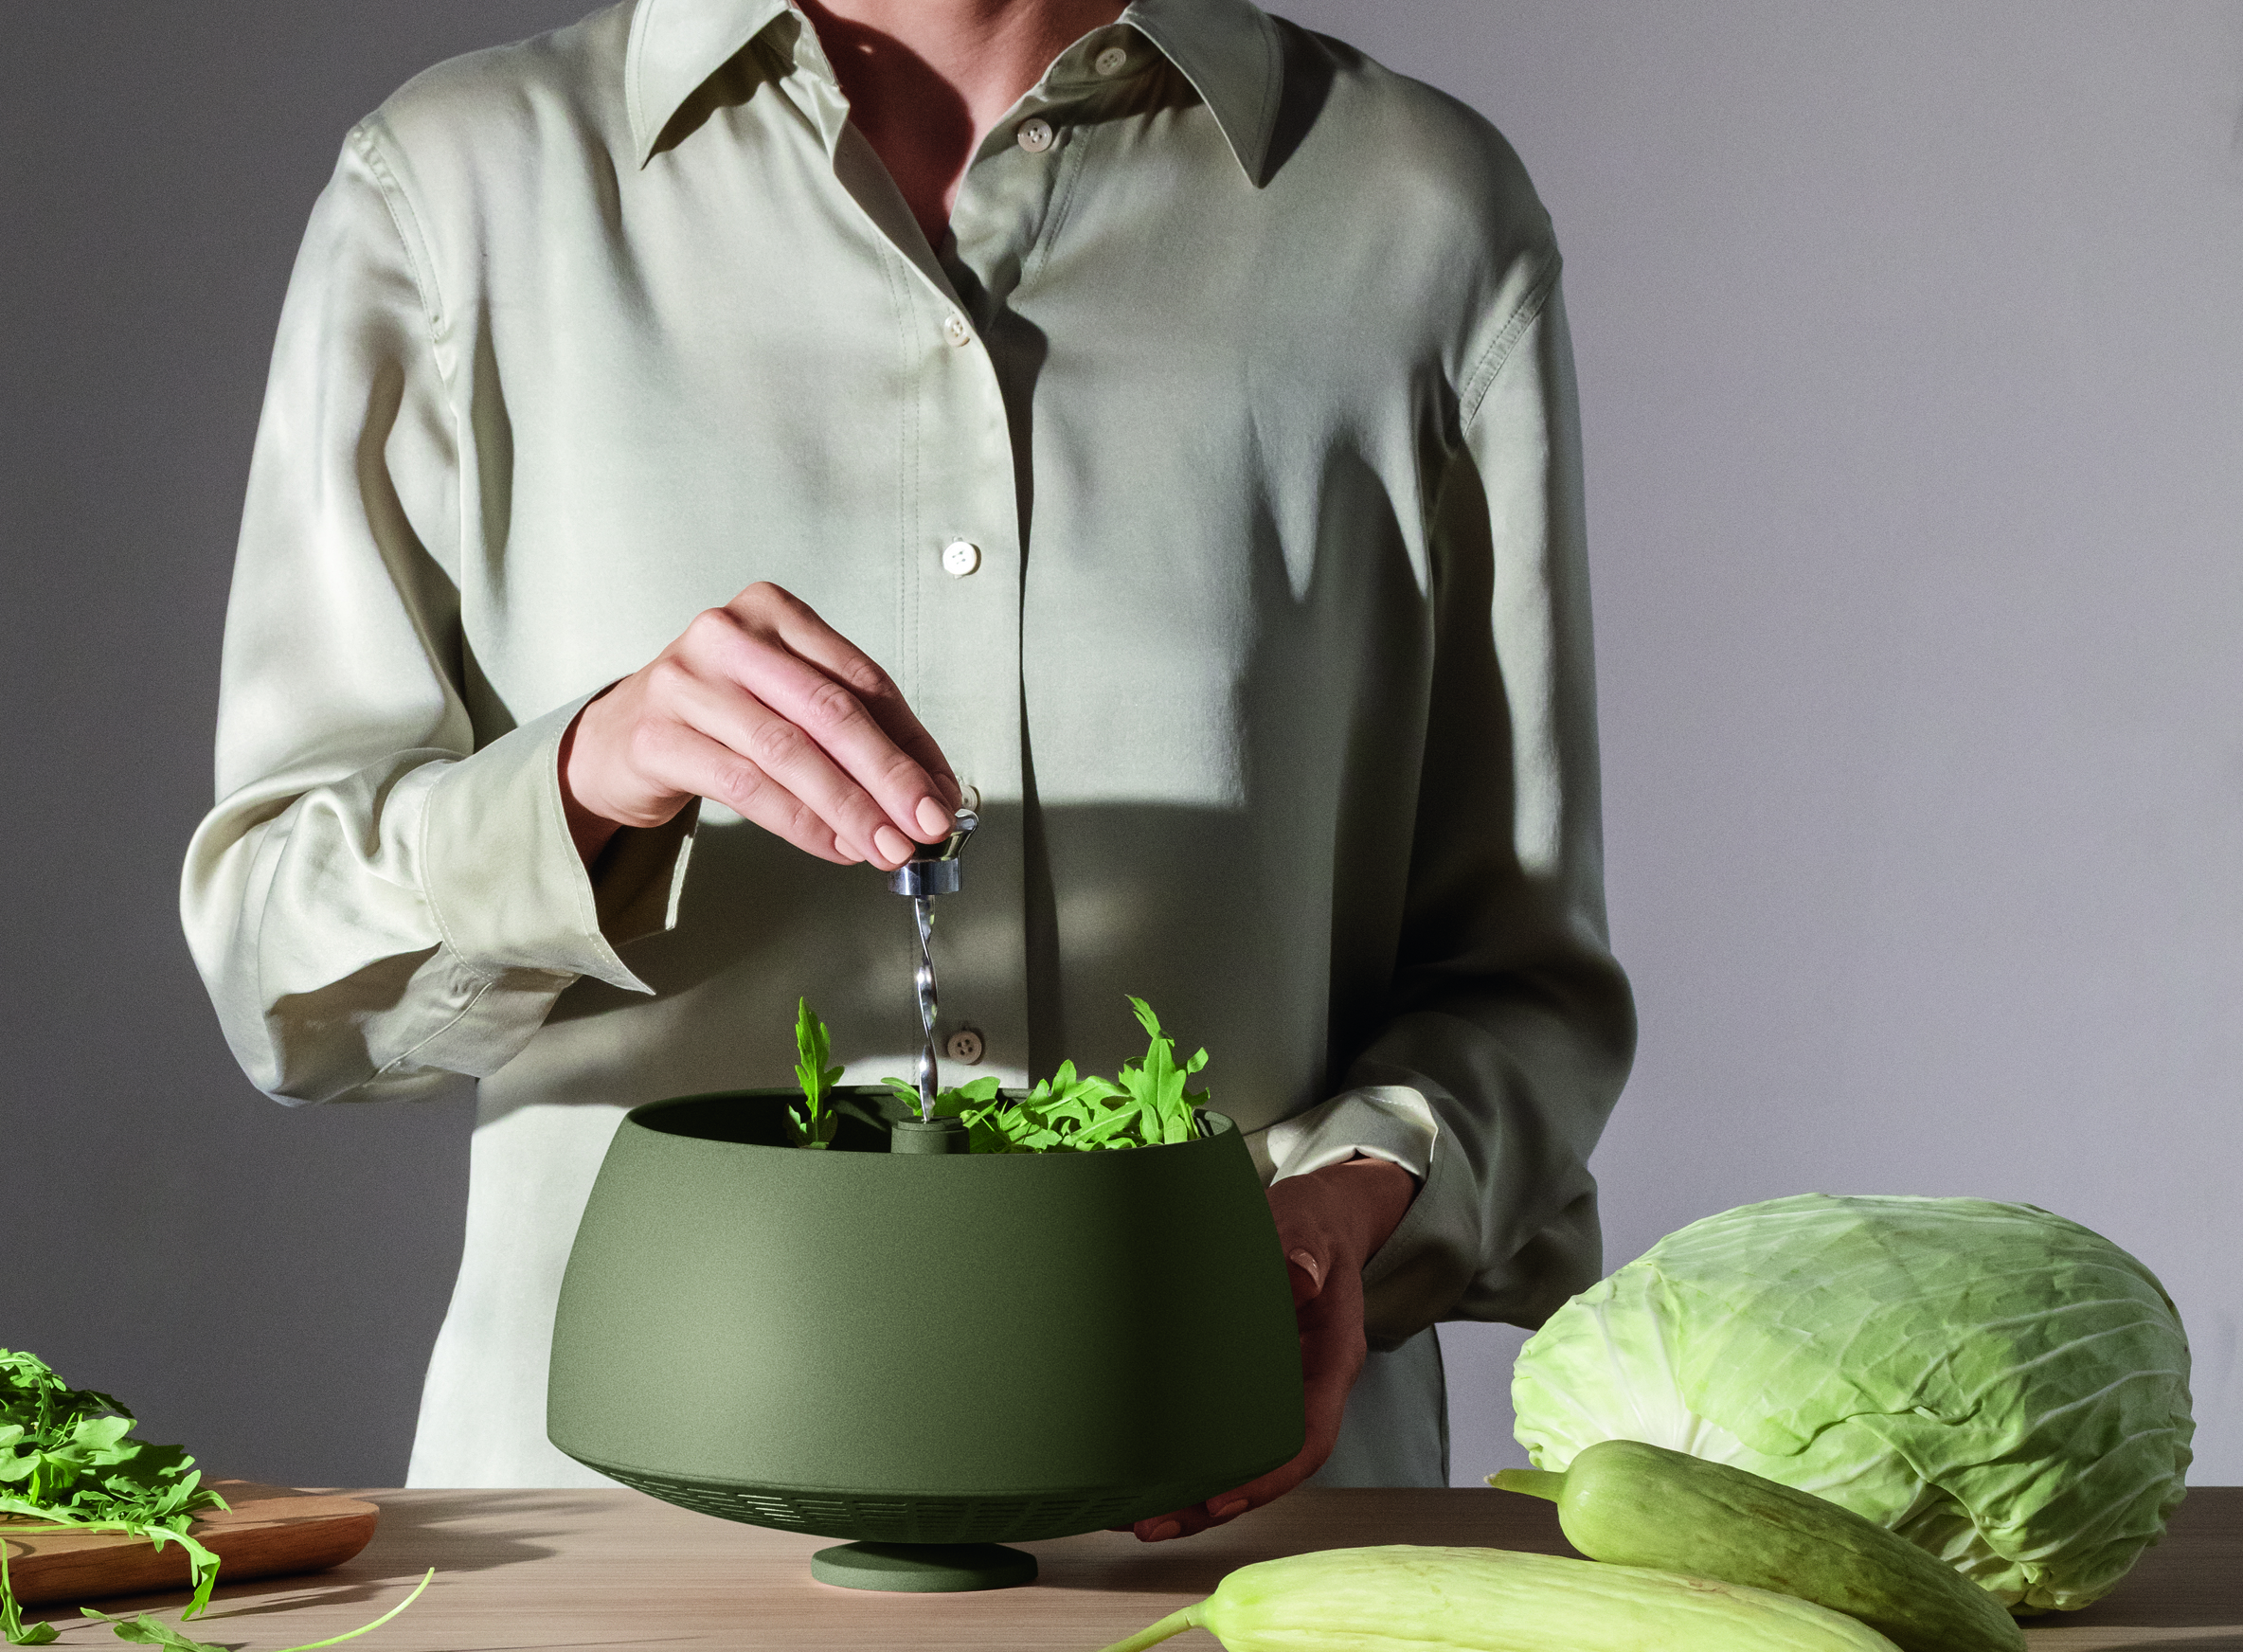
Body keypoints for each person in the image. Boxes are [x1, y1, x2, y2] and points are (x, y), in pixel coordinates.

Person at [182, 0, 1635, 1525]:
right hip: (620, 1578)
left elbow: (1524, 994)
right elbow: (278, 961)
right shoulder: (464, 194)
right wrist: (586, 783)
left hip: (1227, 1568)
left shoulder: (1421, 216)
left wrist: (1363, 1195)